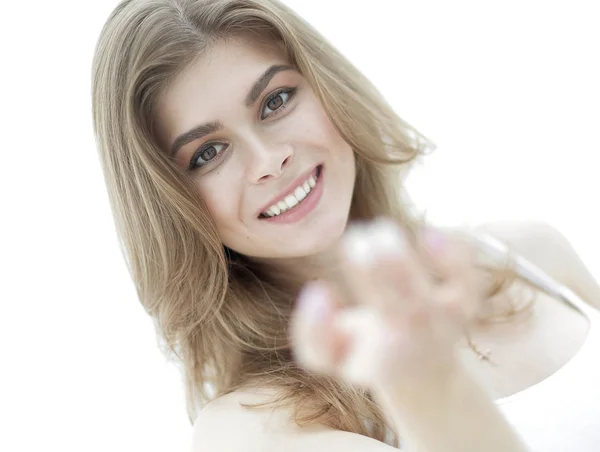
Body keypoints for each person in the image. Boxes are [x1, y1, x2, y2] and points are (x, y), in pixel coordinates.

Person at [90, 0, 600, 450]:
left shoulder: (528, 252)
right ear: (168, 204)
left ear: (328, 87)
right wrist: (421, 379)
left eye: (275, 100)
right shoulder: (249, 430)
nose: (269, 159)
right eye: (208, 153)